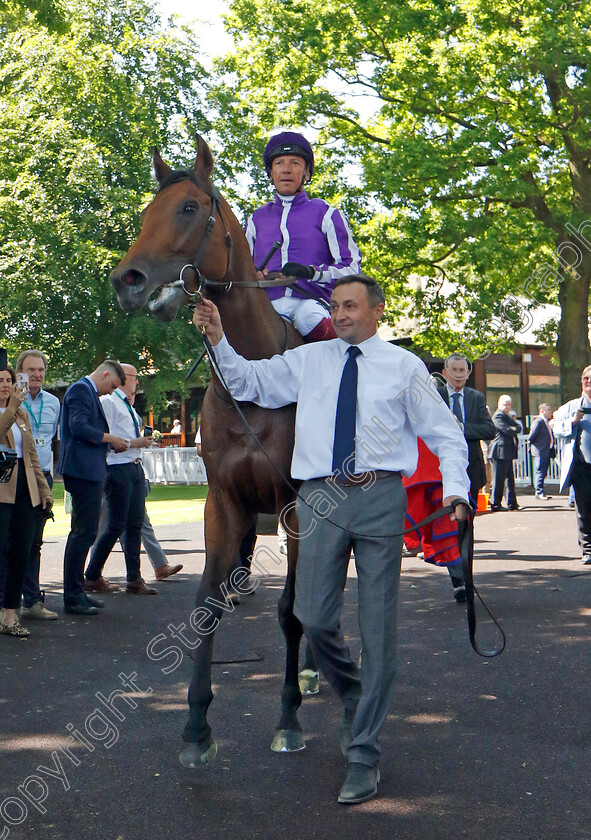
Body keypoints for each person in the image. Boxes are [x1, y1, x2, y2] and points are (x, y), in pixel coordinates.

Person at [192, 274, 470, 805]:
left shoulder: (405, 368)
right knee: (315, 618)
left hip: (381, 496)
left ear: (377, 312)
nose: (339, 315)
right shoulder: (309, 360)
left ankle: (363, 752)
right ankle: (355, 695)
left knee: (377, 627)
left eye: (349, 306)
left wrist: (455, 491)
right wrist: (218, 338)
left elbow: (443, 434)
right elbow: (247, 383)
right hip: (319, 498)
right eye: (335, 306)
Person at [244, 131, 362, 342]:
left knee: (308, 317)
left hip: (311, 303)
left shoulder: (327, 214)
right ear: (271, 173)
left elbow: (352, 270)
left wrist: (312, 272)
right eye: (279, 163)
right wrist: (255, 274)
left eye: (295, 163)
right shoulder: (255, 220)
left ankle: (351, 362)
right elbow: (240, 270)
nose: (286, 169)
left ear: (307, 173)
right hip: (264, 306)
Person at [59, 360, 128, 616]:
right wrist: (110, 438)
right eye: (111, 386)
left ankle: (77, 593)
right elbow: (78, 428)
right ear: (105, 374)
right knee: (82, 533)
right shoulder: (80, 390)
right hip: (82, 472)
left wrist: (109, 442)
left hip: (88, 470)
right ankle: (73, 596)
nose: (111, 392)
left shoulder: (86, 391)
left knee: (86, 533)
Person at [84, 364, 157, 595]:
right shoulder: (109, 402)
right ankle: (92, 574)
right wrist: (135, 443)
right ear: (126, 378)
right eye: (135, 378)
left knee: (134, 523)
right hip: (118, 468)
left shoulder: (127, 405)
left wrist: (138, 441)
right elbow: (106, 439)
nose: (137, 383)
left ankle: (134, 578)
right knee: (115, 524)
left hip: (134, 467)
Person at [0, 350, 53, 637]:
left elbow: (32, 455)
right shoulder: (13, 411)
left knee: (22, 550)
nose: (5, 385)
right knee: (2, 550)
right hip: (1, 486)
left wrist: (44, 491)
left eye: (8, 380)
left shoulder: (20, 414)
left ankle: (11, 614)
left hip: (25, 486)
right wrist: (11, 408)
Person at [437, 352, 495, 598]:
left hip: (470, 470)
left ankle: (464, 578)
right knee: (448, 525)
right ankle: (458, 579)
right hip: (440, 470)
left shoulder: (476, 397)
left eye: (463, 371)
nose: (459, 375)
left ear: (468, 374)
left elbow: (489, 429)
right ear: (445, 373)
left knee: (465, 524)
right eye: (454, 370)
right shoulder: (435, 397)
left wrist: (461, 427)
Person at [14, 350, 61, 620]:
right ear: (20, 372)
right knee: (12, 541)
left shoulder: (53, 402)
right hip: (17, 475)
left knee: (34, 541)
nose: (37, 375)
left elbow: (51, 439)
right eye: (31, 370)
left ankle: (31, 600)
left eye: (41, 370)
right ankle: (9, 602)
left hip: (42, 476)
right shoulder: (10, 401)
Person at [553, 366, 591, 563]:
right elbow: (556, 427)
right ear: (581, 381)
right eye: (586, 378)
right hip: (582, 465)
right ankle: (588, 549)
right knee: (584, 508)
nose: (589, 382)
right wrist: (573, 421)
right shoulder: (571, 406)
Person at [489, 395, 523, 511]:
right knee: (498, 479)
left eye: (509, 404)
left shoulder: (505, 416)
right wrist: (513, 428)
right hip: (499, 451)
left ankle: (512, 503)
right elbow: (508, 431)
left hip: (507, 451)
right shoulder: (498, 416)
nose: (507, 407)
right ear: (499, 404)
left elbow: (518, 427)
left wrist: (513, 428)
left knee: (510, 479)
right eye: (505, 404)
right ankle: (495, 503)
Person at [528, 403, 555, 500]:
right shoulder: (538, 421)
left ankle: (540, 491)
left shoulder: (545, 421)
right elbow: (531, 436)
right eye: (548, 410)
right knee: (540, 471)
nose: (550, 412)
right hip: (540, 451)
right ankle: (539, 492)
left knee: (543, 471)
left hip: (546, 450)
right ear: (542, 411)